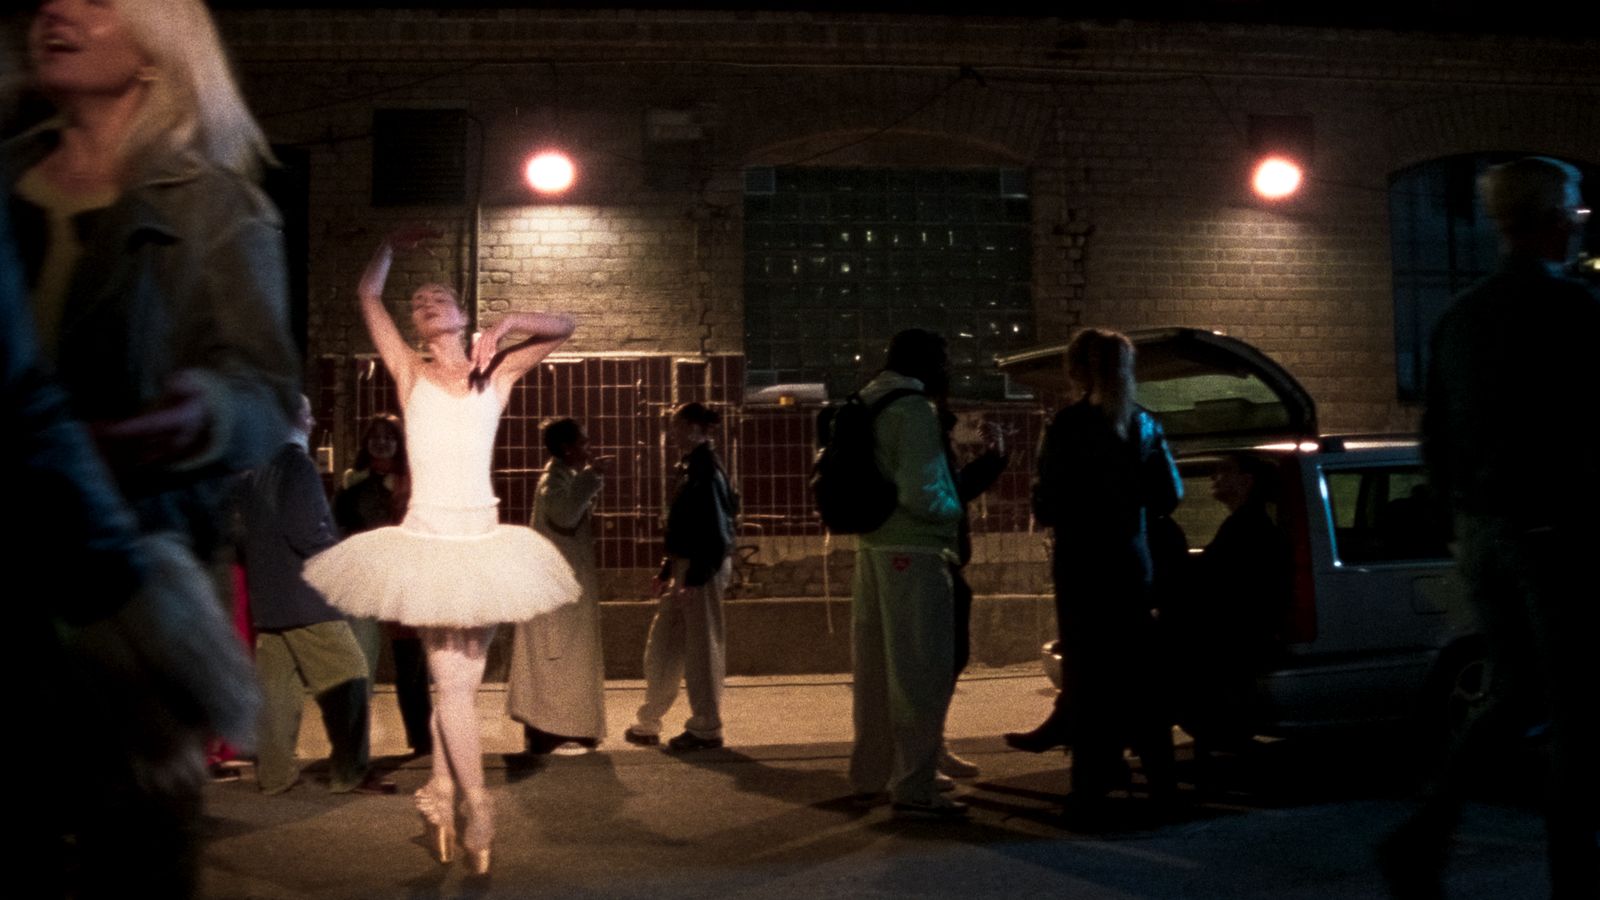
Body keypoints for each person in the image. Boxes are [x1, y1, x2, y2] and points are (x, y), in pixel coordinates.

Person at [303, 231, 580, 875]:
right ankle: (479, 806)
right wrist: (388, 246)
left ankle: (441, 792)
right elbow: (366, 292)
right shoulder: (407, 369)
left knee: (459, 683)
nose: (426, 302)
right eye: (418, 301)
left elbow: (565, 324)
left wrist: (508, 322)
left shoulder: (496, 372)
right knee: (451, 684)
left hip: (482, 542)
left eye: (439, 295)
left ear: (462, 314)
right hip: (428, 542)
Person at [6, 0, 300, 560]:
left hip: (130, 562)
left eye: (95, 1)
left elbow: (267, 393)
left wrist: (205, 412)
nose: (54, 8)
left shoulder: (218, 208)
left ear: (154, 47)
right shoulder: (6, 179)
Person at [1380, 157, 1600, 898]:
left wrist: (1467, 518)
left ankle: (1426, 830)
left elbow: (1434, 438)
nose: (1576, 222)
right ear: (1550, 218)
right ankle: (1574, 873)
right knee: (1576, 710)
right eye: (1571, 209)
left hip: (1484, 535)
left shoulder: (1459, 318)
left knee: (1514, 695)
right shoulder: (1574, 310)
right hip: (1556, 533)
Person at [1029, 328, 1182, 819]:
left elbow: (1047, 503)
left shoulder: (1067, 426)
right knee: (1142, 677)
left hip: (1081, 572)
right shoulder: (1145, 425)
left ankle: (1091, 791)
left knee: (1088, 677)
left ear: (1077, 372)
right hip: (1132, 567)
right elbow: (1169, 496)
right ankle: (1163, 786)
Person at [239, 395, 392, 796]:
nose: (312, 421)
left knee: (277, 693)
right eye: (308, 413)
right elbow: (308, 532)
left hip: (270, 600)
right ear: (299, 420)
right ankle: (351, 771)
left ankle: (274, 776)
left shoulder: (256, 468)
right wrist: (340, 563)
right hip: (307, 598)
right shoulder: (297, 465)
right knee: (350, 675)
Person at [847, 329, 966, 818]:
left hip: (871, 545)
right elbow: (924, 493)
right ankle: (915, 787)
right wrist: (955, 507)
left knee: (874, 672)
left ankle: (869, 776)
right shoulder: (914, 410)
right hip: (914, 550)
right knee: (920, 670)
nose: (948, 367)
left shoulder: (866, 401)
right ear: (926, 362)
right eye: (943, 358)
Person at [625, 402, 738, 752]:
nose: (671, 433)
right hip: (687, 566)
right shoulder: (694, 467)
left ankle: (706, 727)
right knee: (664, 644)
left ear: (693, 429)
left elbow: (717, 531)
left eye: (676, 426)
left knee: (699, 650)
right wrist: (669, 568)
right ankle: (650, 719)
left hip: (698, 567)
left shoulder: (704, 470)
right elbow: (689, 526)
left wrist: (693, 576)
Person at [1173, 453, 1289, 775]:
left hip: (1236, 633)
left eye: (1225, 471)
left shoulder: (1247, 527)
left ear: (1247, 481)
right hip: (1237, 628)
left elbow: (1214, 576)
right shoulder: (1246, 523)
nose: (1214, 477)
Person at [507, 417, 610, 755]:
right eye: (583, 442)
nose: (589, 448)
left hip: (558, 589)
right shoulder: (555, 481)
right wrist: (592, 478)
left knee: (559, 660)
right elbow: (565, 516)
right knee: (561, 661)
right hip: (559, 593)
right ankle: (556, 728)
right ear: (567, 448)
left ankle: (555, 727)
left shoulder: (558, 477)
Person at [334, 413, 433, 757]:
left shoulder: (413, 481)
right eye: (375, 436)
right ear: (365, 442)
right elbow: (341, 527)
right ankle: (354, 746)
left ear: (399, 442)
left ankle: (422, 741)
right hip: (366, 581)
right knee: (361, 663)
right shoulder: (353, 482)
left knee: (412, 667)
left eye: (389, 436)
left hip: (406, 581)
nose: (381, 442)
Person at [935, 400, 1009, 781]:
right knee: (942, 659)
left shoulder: (930, 444)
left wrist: (993, 459)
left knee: (950, 658)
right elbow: (956, 490)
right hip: (937, 561)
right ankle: (928, 747)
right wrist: (993, 460)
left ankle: (932, 744)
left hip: (945, 561)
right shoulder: (926, 444)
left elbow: (957, 488)